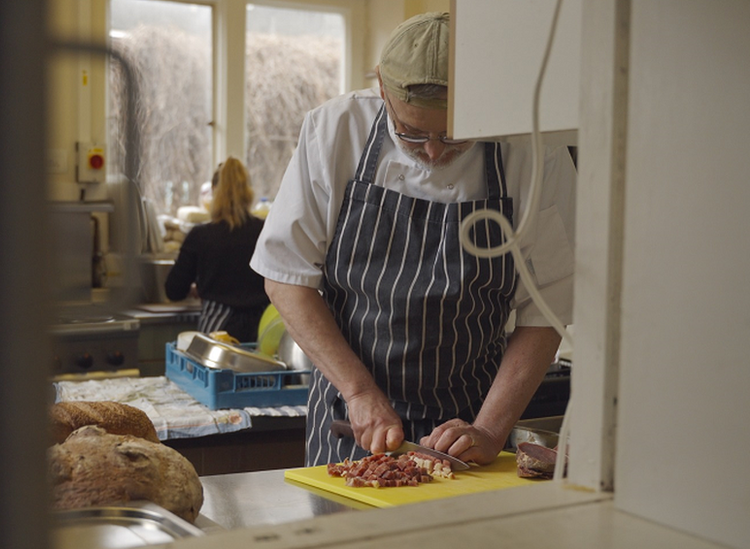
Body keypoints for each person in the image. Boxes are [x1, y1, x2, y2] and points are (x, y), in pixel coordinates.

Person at [249, 12, 576, 467]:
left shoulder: (532, 150)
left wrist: (489, 428)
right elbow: (286, 277)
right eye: (413, 133)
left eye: (455, 136)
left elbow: (548, 307)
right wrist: (358, 390)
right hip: (350, 418)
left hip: (472, 427)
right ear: (383, 89)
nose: (434, 152)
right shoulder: (335, 130)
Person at [165, 157, 270, 343]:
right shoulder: (266, 232)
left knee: (214, 372)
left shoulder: (200, 236)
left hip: (218, 331)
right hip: (263, 328)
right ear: (248, 192)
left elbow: (174, 290)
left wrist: (200, 286)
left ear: (214, 192)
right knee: (260, 371)